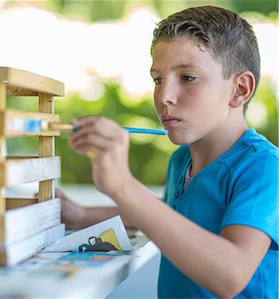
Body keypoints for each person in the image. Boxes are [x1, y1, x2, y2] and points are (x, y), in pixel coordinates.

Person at [58, 6, 278, 299]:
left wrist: (123, 186)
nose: (164, 97)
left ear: (239, 89)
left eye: (187, 77)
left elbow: (231, 275)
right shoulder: (182, 159)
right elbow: (169, 216)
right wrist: (81, 214)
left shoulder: (264, 168)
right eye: (158, 79)